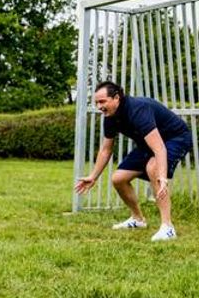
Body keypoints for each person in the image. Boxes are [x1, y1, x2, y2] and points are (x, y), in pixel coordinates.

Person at [75, 81, 192, 241]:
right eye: (96, 102)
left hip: (176, 138)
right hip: (150, 143)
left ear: (116, 98)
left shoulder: (138, 109)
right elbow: (106, 149)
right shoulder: (109, 117)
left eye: (102, 101)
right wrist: (93, 177)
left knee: (153, 167)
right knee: (118, 179)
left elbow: (159, 149)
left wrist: (162, 177)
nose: (99, 106)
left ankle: (168, 227)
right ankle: (138, 219)